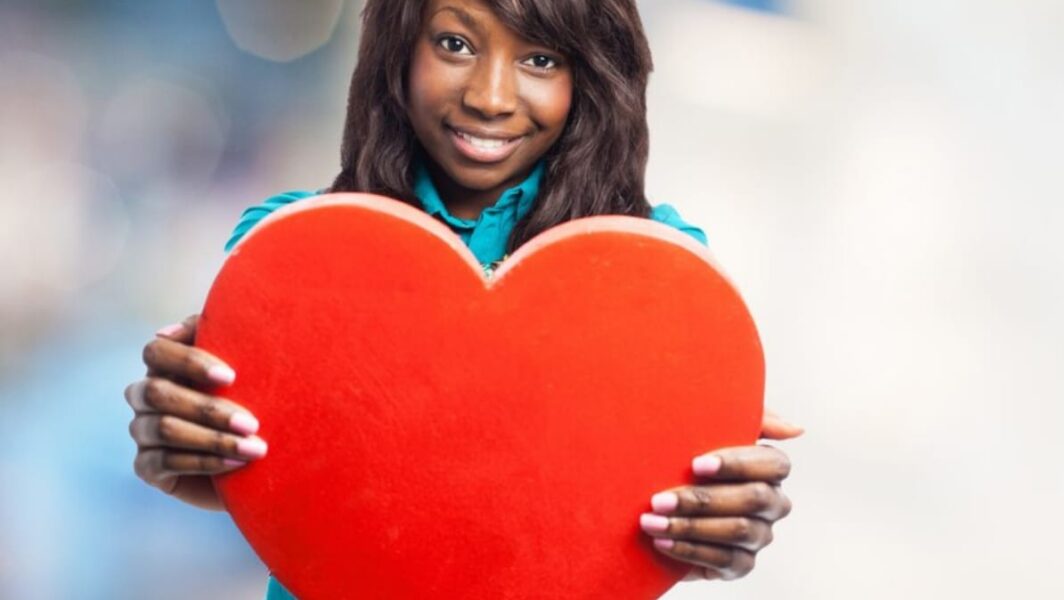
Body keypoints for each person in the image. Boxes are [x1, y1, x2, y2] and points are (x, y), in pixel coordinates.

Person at [124, 0, 803, 596]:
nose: (490, 96)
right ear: (398, 48)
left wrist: (716, 528)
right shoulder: (292, 249)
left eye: (540, 58)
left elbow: (627, 511)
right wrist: (194, 466)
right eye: (455, 43)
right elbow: (317, 485)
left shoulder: (657, 272)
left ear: (592, 74)